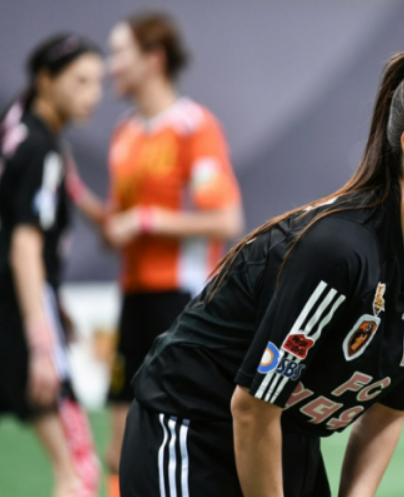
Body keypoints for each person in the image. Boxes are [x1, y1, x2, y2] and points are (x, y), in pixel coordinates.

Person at [119, 51, 404, 497]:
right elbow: (252, 408)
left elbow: (389, 411)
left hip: (285, 435)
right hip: (193, 425)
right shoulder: (338, 250)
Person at [100, 11, 244, 497]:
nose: (110, 66)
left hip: (183, 301)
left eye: (119, 53)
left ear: (153, 59)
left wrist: (145, 220)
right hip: (133, 297)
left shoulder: (193, 127)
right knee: (118, 446)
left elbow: (226, 219)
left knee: (183, 441)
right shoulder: (123, 132)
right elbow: (117, 223)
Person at [0, 33, 104, 497]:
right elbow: (24, 246)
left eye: (98, 82)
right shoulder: (41, 149)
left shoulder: (18, 129)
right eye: (80, 81)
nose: (93, 94)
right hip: (16, 313)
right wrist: (43, 342)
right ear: (45, 80)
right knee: (78, 472)